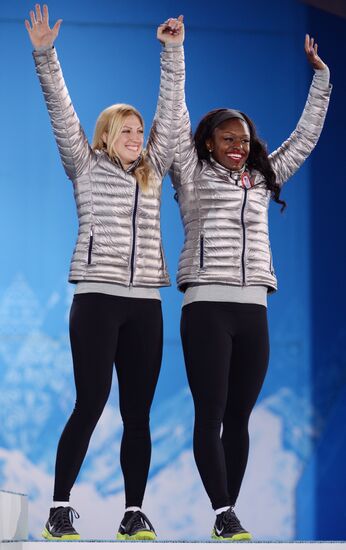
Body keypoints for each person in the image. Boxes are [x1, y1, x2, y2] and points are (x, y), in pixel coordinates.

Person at [25, 4, 184, 541]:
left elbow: (173, 113)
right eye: (128, 129)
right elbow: (60, 108)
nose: (138, 136)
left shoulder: (154, 172)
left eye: (141, 130)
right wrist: (46, 55)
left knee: (138, 413)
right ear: (107, 133)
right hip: (96, 300)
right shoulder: (83, 162)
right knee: (91, 401)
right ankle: (59, 507)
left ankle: (134, 511)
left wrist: (172, 51)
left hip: (146, 304)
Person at [169, 35, 331, 541]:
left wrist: (321, 78)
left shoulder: (262, 178)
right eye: (227, 140)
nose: (237, 147)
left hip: (252, 308)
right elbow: (174, 119)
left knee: (239, 416)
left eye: (242, 140)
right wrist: (174, 54)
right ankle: (223, 512)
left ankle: (227, 515)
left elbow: (304, 139)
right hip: (206, 307)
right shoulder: (190, 173)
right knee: (210, 413)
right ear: (209, 143)